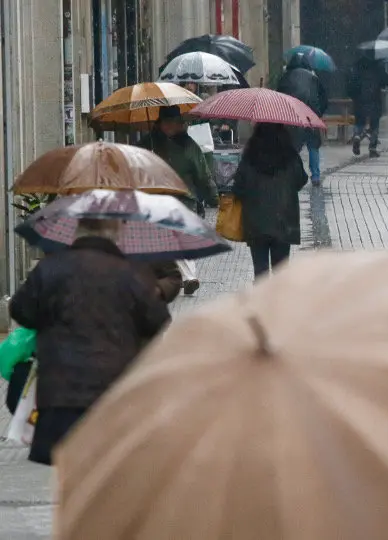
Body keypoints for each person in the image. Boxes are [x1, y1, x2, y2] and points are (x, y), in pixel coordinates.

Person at [9, 219, 170, 465]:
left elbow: (21, 310)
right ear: (115, 233)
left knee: (64, 466)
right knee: (106, 468)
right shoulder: (132, 273)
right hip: (113, 392)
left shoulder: (51, 268)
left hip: (59, 394)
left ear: (76, 233)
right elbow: (158, 320)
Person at [136, 105, 218, 295]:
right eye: (173, 122)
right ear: (162, 124)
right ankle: (180, 277)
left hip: (182, 200)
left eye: (179, 122)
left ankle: (188, 278)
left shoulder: (187, 146)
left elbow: (203, 176)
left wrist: (213, 197)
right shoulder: (148, 145)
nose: (178, 126)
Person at [231, 123, 307, 277]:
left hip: (256, 222)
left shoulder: (250, 157)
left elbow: (238, 187)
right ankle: (279, 300)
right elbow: (301, 180)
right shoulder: (290, 156)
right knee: (281, 272)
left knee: (260, 270)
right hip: (284, 221)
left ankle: (261, 299)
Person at [277, 53, 329, 185]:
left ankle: (291, 173)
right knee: (313, 146)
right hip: (311, 115)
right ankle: (316, 176)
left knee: (293, 147)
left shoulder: (285, 77)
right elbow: (324, 98)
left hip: (292, 116)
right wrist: (318, 114)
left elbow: (279, 97)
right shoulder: (313, 77)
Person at [347, 56, 388, 157]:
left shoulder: (358, 69)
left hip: (359, 101)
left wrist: (354, 97)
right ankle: (372, 147)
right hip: (374, 100)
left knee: (359, 122)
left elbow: (351, 87)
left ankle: (357, 135)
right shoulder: (378, 70)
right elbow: (385, 82)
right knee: (374, 124)